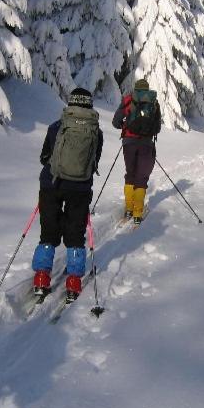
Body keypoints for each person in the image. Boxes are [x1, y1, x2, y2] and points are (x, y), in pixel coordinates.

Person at [31, 87, 103, 302]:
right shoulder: (95, 131)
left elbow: (44, 157)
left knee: (48, 231)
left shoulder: (57, 126)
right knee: (75, 234)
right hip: (80, 189)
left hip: (51, 185)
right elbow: (94, 162)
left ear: (71, 103)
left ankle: (42, 278)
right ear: (89, 104)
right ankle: (73, 281)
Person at [112, 79, 162, 225]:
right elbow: (157, 127)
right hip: (146, 144)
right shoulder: (154, 103)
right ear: (147, 89)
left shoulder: (128, 100)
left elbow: (115, 121)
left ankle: (129, 208)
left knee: (130, 174)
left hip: (129, 143)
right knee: (141, 177)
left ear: (136, 89)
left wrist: (125, 126)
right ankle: (137, 213)